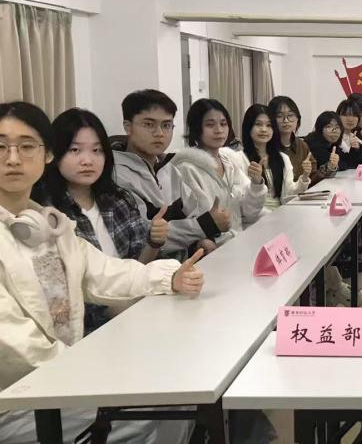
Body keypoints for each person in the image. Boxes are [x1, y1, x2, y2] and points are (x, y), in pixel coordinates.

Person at [0, 101, 204, 443]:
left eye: (26, 146)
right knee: (155, 407)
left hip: (63, 381)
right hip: (19, 399)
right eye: (1, 146)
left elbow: (106, 273)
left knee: (180, 391)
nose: (13, 158)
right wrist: (86, 371)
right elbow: (14, 342)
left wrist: (168, 277)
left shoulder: (51, 227)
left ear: (46, 154)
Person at [35, 109, 172, 333]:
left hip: (138, 315)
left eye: (97, 150)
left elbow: (137, 269)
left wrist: (154, 243)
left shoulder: (118, 200)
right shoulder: (48, 213)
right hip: (89, 333)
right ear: (54, 154)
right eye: (75, 150)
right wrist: (119, 311)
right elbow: (62, 297)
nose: (87, 160)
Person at [114, 90, 223, 257]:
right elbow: (143, 237)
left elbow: (194, 212)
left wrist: (200, 241)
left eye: (166, 125)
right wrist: (204, 225)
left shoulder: (170, 169)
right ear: (128, 127)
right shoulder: (117, 176)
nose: (159, 133)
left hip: (187, 264)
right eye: (149, 124)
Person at [173, 99, 266, 246]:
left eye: (223, 124)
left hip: (239, 242)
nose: (219, 130)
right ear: (196, 128)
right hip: (216, 249)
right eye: (210, 125)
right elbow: (204, 225)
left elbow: (248, 213)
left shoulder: (229, 161)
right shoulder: (188, 169)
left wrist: (256, 184)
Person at [235, 105, 311, 216]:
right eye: (258, 124)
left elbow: (288, 194)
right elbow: (241, 202)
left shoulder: (282, 158)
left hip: (281, 215)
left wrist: (304, 177)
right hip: (255, 219)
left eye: (268, 125)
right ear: (248, 127)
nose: (264, 129)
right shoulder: (238, 159)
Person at [268, 95, 318, 183]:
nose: (286, 120)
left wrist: (329, 168)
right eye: (280, 116)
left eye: (290, 115)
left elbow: (314, 176)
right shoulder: (266, 146)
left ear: (297, 118)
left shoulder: (302, 145)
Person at [335, 97, 362, 170]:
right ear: (338, 116)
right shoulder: (333, 137)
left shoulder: (354, 137)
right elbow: (344, 164)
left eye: (354, 115)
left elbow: (361, 161)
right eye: (346, 115)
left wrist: (356, 149)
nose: (350, 119)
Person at [304, 112, 343, 180]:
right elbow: (341, 164)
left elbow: (345, 161)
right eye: (329, 126)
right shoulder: (313, 143)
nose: (334, 131)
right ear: (320, 129)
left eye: (337, 127)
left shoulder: (332, 144)